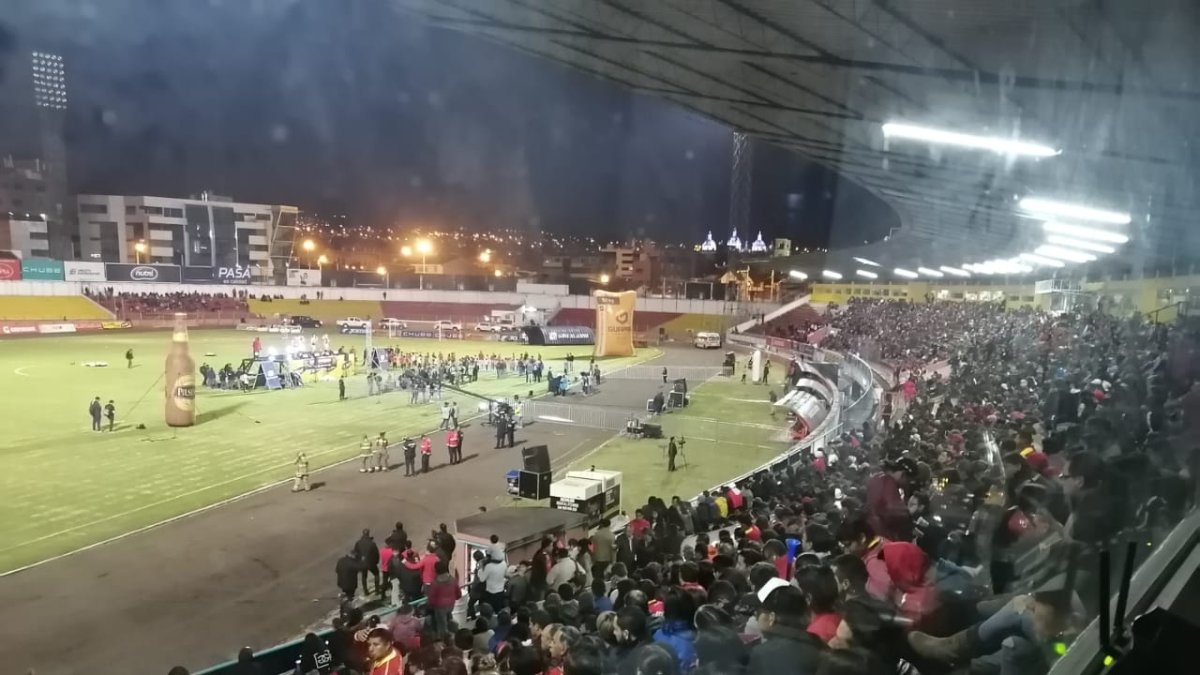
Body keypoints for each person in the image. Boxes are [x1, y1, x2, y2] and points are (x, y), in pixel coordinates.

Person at [748, 585, 825, 675]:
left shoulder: (762, 654)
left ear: (772, 617)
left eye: (758, 612)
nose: (756, 618)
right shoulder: (820, 645)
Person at [356, 528, 382, 596]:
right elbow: (376, 553)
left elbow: (356, 553)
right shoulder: (372, 543)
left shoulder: (358, 543)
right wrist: (376, 561)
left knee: (364, 576)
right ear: (368, 534)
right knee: (376, 574)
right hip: (371, 563)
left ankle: (365, 591)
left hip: (362, 563)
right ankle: (377, 590)